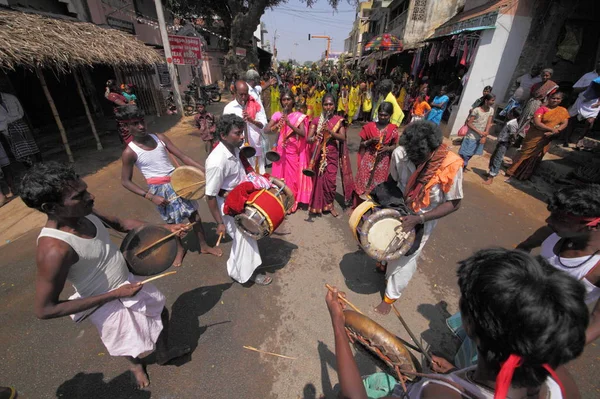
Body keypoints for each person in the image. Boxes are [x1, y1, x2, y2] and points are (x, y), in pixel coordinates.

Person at [326, 248, 587, 398]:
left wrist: (338, 324)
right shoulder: (561, 382)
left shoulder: (439, 394)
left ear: (470, 326)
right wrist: (454, 372)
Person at [20, 161, 191, 389]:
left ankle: (163, 353)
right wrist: (114, 294)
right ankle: (135, 365)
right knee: (128, 343)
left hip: (127, 282)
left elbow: (120, 224)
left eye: (86, 189)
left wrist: (163, 229)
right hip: (105, 302)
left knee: (161, 312)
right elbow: (45, 309)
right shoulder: (54, 250)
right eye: (79, 196)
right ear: (51, 207)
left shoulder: (86, 212)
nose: (90, 197)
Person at [375, 121, 463, 315]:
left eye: (419, 158)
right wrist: (389, 204)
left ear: (432, 151)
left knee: (407, 257)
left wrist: (419, 220)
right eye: (410, 156)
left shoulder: (451, 164)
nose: (413, 161)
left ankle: (390, 297)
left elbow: (454, 203)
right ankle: (384, 264)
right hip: (399, 207)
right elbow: (392, 181)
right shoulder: (400, 153)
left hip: (424, 217)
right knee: (387, 240)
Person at [120, 106, 221, 261]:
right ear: (126, 127)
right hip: (159, 190)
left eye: (141, 121)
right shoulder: (130, 152)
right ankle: (179, 249)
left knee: (195, 216)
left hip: (179, 182)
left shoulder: (159, 138)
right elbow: (125, 181)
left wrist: (204, 172)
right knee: (172, 223)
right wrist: (150, 196)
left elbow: (183, 156)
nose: (141, 126)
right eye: (135, 123)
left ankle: (204, 246)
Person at [517, 184, 600, 344]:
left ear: (593, 224)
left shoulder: (596, 268)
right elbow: (523, 248)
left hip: (537, 334)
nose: (549, 220)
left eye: (561, 219)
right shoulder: (551, 233)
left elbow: (597, 321)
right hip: (505, 309)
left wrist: (557, 350)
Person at [205, 114, 272, 286]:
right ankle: (245, 274)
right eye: (237, 133)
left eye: (242, 132)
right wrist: (219, 222)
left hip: (240, 200)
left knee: (243, 240)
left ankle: (237, 268)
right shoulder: (217, 161)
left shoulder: (234, 148)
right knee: (245, 239)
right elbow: (210, 195)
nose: (242, 136)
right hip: (229, 207)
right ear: (223, 135)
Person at [306, 94, 354, 217]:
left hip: (331, 153)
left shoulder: (339, 120)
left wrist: (331, 132)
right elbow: (308, 139)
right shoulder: (317, 120)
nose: (328, 107)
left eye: (331, 104)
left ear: (334, 105)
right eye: (326, 104)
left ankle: (330, 205)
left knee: (331, 181)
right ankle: (318, 205)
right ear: (322, 106)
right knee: (318, 180)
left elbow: (343, 138)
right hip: (318, 153)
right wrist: (315, 137)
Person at [265, 90, 312, 213]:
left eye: (288, 99)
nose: (286, 102)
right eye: (284, 100)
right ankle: (280, 199)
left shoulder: (298, 116)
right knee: (279, 176)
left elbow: (303, 134)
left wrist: (289, 124)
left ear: (293, 101)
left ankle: (291, 201)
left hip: (292, 149)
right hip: (279, 150)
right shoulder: (277, 115)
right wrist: (276, 126)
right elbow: (266, 130)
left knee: (292, 177)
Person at [506, 92, 569, 181]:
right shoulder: (542, 109)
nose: (555, 100)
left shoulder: (562, 111)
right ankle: (511, 172)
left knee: (537, 156)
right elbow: (537, 123)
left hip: (547, 137)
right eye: (553, 98)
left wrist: (556, 131)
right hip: (535, 135)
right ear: (549, 98)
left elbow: (565, 123)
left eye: (558, 99)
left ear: (561, 100)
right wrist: (551, 130)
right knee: (525, 153)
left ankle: (525, 175)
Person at [353, 102, 399, 205]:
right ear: (377, 114)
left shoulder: (393, 129)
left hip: (382, 162)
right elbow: (362, 144)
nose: (382, 117)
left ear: (390, 115)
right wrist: (370, 141)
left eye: (385, 115)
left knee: (378, 184)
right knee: (362, 180)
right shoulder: (369, 127)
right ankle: (357, 206)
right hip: (368, 158)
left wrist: (387, 148)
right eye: (380, 114)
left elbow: (394, 146)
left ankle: (372, 209)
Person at [223, 81, 267, 174]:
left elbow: (263, 125)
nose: (243, 97)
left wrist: (252, 121)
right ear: (235, 93)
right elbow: (225, 130)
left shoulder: (256, 104)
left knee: (259, 175)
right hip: (238, 149)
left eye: (245, 94)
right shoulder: (229, 108)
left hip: (255, 148)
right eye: (241, 94)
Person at [515, 69, 558, 140]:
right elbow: (531, 95)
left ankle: (524, 138)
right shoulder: (536, 85)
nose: (544, 77)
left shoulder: (552, 86)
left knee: (533, 122)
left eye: (547, 75)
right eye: (543, 75)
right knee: (524, 119)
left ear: (550, 76)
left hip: (542, 106)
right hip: (531, 104)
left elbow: (550, 98)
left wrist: (541, 108)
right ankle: (518, 137)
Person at [0, 92, 40, 165]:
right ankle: (29, 167)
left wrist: (17, 119)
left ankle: (41, 163)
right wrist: (4, 129)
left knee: (32, 144)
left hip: (19, 123)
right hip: (7, 129)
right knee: (20, 150)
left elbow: (21, 111)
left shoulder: (11, 97)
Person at [483, 107, 521, 185]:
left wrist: (510, 142)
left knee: (497, 159)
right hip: (501, 142)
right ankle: (490, 173)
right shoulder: (511, 122)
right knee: (494, 157)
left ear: (512, 114)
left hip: (504, 143)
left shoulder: (513, 123)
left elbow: (513, 135)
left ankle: (491, 177)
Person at [458, 93, 495, 170]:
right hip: (471, 136)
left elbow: (488, 123)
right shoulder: (476, 110)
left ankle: (462, 165)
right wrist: (479, 132)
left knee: (472, 153)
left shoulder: (491, 110)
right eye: (492, 100)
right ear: (486, 101)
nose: (493, 102)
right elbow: (469, 123)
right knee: (465, 153)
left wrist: (485, 135)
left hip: (480, 137)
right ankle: (461, 166)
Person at [563, 77, 600, 148]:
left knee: (590, 121)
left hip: (594, 103)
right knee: (572, 119)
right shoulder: (588, 75)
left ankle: (581, 139)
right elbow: (575, 89)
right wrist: (587, 87)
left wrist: (599, 103)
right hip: (581, 100)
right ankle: (566, 138)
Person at [105, 79, 137, 144]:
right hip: (123, 116)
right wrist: (130, 104)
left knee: (133, 132)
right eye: (115, 85)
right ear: (113, 87)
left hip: (128, 115)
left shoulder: (119, 93)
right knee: (127, 133)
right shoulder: (112, 95)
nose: (117, 86)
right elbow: (122, 104)